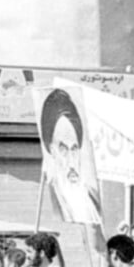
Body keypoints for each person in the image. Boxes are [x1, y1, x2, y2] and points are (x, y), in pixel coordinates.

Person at [38, 88, 102, 225]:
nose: (71, 161)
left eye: (74, 149)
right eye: (63, 149)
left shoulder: (92, 198)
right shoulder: (53, 201)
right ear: (51, 149)